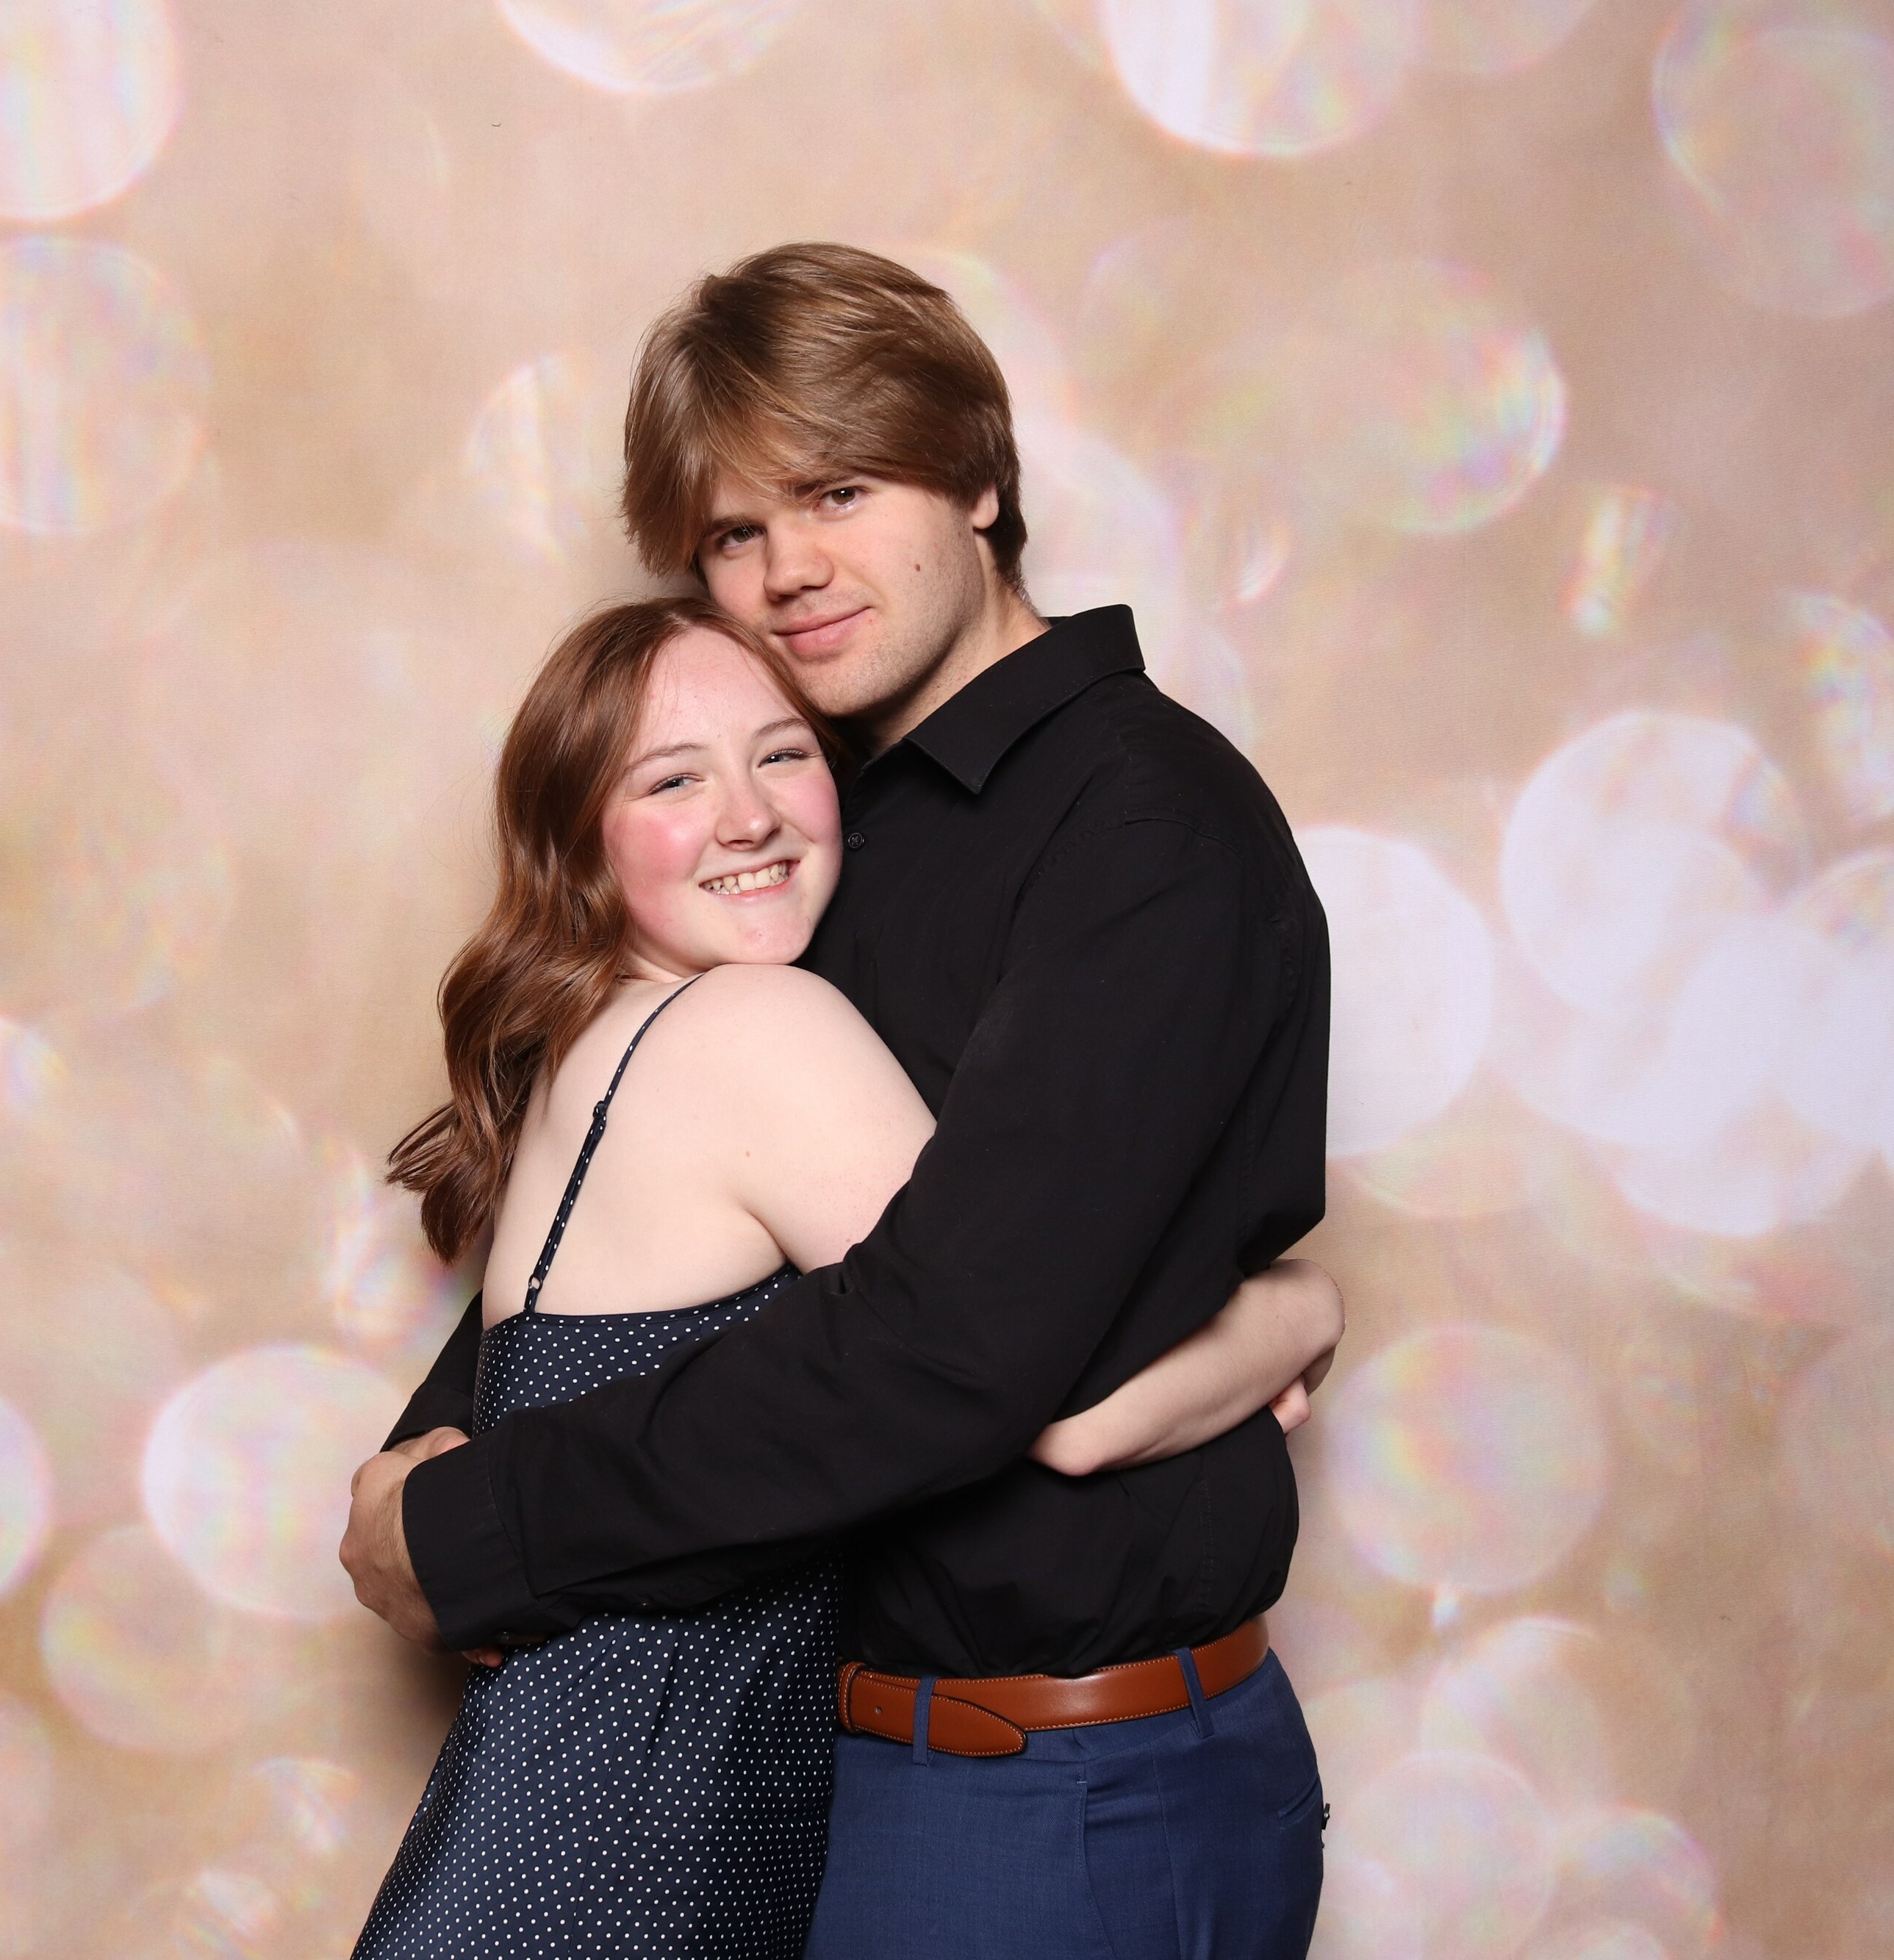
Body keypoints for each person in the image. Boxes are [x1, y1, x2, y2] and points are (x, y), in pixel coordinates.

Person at [343, 242, 1335, 1959]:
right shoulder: (815, 823)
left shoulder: (1138, 831)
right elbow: (646, 1178)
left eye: (835, 490)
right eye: (733, 532)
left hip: (1055, 1780)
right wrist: (444, 1448)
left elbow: (958, 1350)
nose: (787, 568)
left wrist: (488, 1522)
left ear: (977, 480)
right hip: (845, 1764)